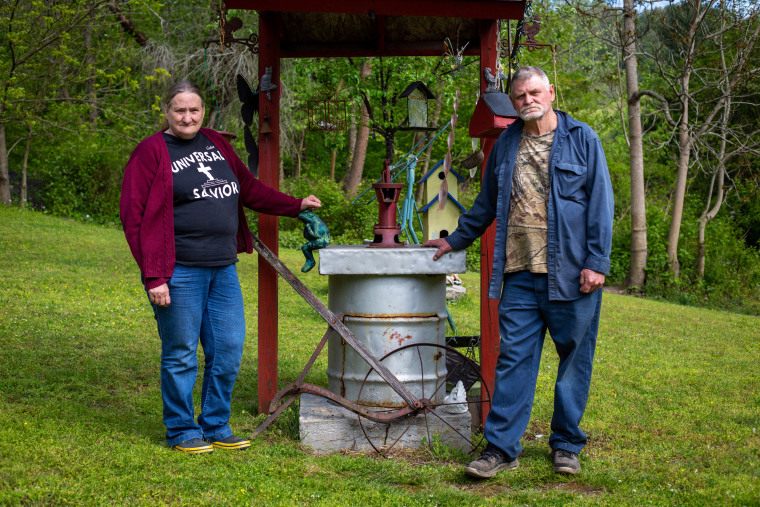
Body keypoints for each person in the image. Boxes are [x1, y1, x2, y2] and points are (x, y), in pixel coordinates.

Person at [423, 66, 613, 477]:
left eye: (534, 93)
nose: (527, 100)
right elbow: (486, 205)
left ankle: (566, 444)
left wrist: (597, 263)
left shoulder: (583, 140)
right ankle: (500, 449)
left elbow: (601, 202)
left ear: (551, 93)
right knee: (513, 360)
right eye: (520, 96)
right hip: (520, 275)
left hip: (571, 275)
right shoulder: (506, 145)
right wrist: (453, 240)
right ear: (512, 103)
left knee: (574, 362)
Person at [120, 81, 321, 455]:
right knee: (180, 353)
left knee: (228, 349)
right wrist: (154, 276)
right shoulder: (151, 152)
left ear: (203, 112)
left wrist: (296, 205)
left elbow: (249, 190)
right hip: (178, 270)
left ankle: (215, 425)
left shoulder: (216, 143)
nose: (187, 117)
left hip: (222, 269)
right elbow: (133, 217)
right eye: (179, 110)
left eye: (194, 110)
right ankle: (181, 430)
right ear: (166, 111)